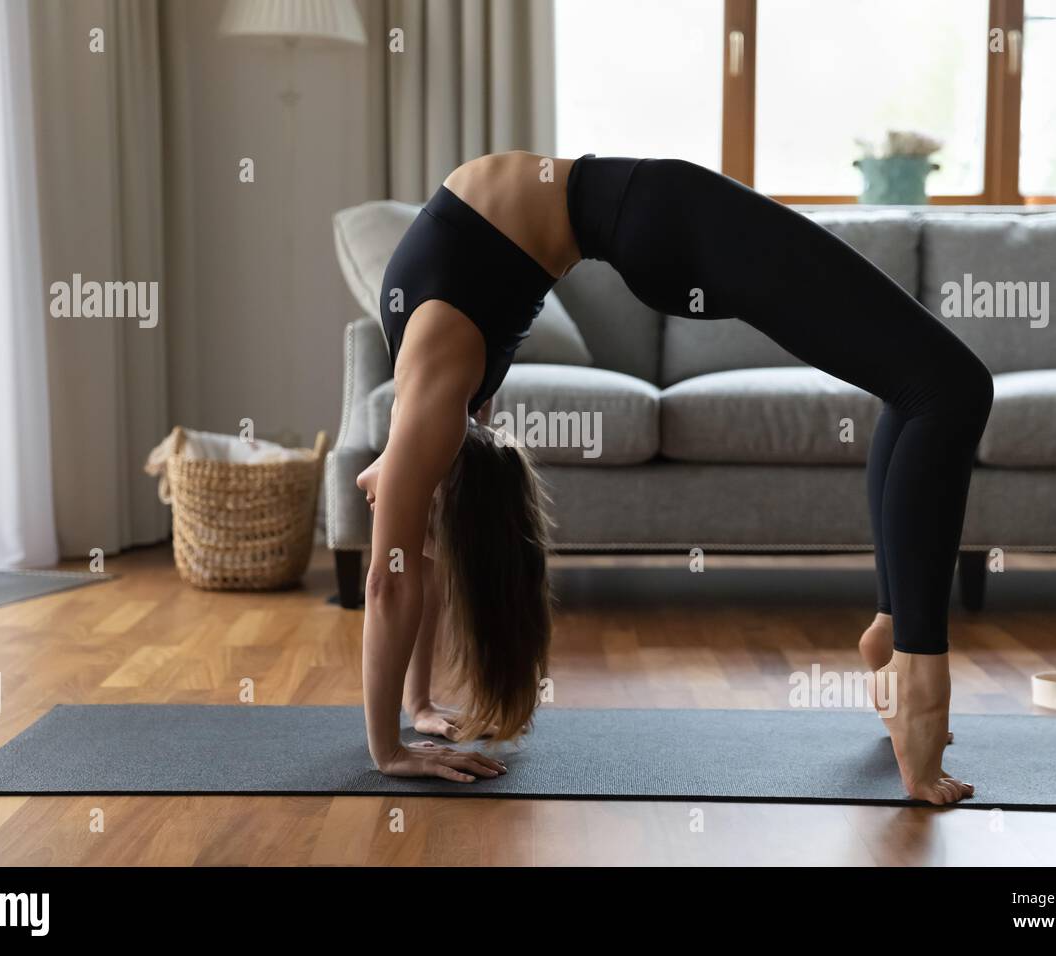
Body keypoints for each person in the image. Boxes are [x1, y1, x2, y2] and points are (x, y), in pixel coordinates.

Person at [356, 150, 993, 804]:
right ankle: (915, 674)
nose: (394, 517)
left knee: (921, 388)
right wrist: (392, 746)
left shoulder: (442, 393)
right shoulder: (447, 393)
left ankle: (895, 633)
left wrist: (414, 714)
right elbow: (393, 580)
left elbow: (401, 571)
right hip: (660, 216)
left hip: (655, 222)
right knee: (947, 389)